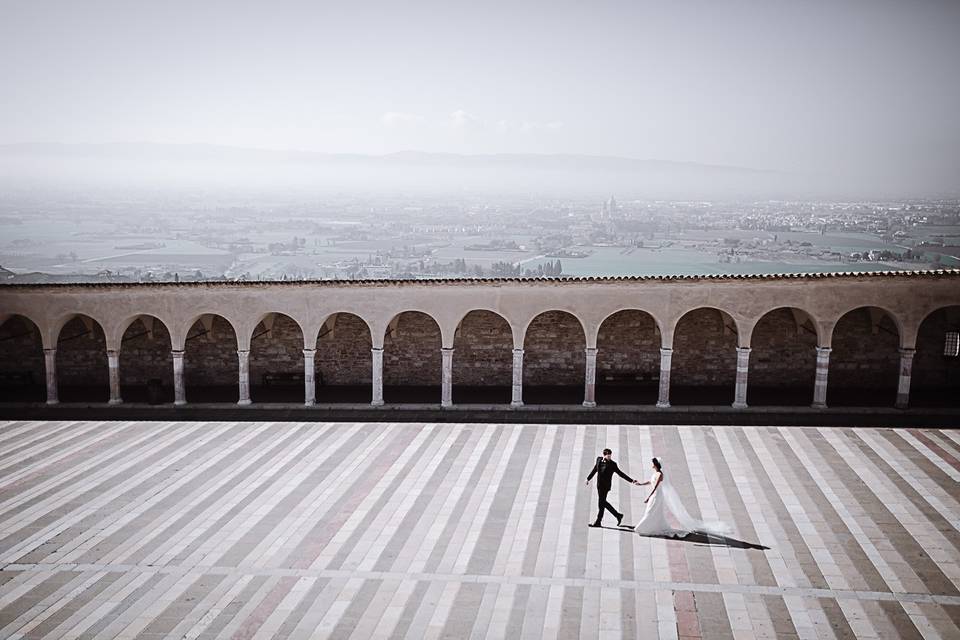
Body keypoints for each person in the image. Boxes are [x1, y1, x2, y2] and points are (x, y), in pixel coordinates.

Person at [634, 457, 732, 537]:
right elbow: (651, 482)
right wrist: (641, 484)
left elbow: (655, 487)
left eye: (653, 464)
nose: (652, 465)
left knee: (651, 511)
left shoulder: (660, 475)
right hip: (654, 495)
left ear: (656, 465)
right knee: (653, 511)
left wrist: (648, 497)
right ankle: (653, 526)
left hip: (657, 496)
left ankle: (643, 527)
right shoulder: (655, 473)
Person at [585, 448, 640, 527]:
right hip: (599, 486)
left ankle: (599, 522)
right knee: (602, 503)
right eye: (608, 456)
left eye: (610, 456)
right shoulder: (598, 459)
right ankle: (617, 515)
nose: (610, 458)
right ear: (604, 455)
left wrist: (632, 480)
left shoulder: (612, 464)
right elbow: (595, 469)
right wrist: (588, 478)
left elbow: (621, 474)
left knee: (601, 503)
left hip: (605, 487)